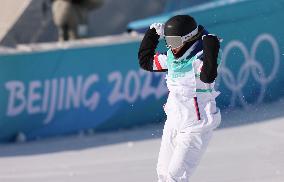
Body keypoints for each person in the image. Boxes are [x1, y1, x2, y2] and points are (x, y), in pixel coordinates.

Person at [138, 15, 222, 181]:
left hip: (196, 127)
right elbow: (146, 61)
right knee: (163, 173)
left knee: (175, 177)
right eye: (168, 41)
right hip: (174, 123)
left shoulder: (198, 58)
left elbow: (208, 76)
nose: (171, 47)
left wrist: (211, 46)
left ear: (188, 38)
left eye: (174, 42)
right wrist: (152, 35)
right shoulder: (171, 58)